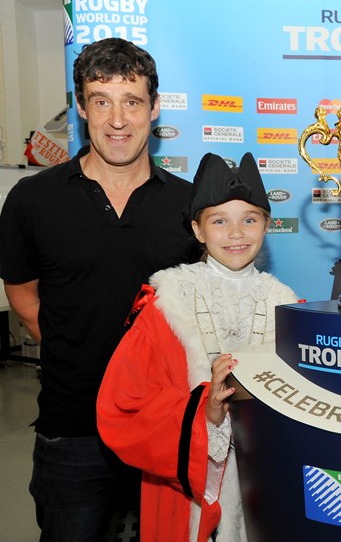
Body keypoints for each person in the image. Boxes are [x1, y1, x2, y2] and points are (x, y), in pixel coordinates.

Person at [0, 38, 199, 541]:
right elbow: (24, 298)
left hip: (166, 424)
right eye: (101, 101)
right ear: (82, 107)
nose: (117, 119)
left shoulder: (190, 206)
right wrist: (79, 353)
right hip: (72, 428)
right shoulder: (32, 200)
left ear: (153, 109)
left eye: (132, 101)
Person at [97, 152, 298, 542]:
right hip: (186, 484)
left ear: (267, 226)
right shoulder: (164, 305)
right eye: (219, 221)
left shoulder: (287, 305)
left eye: (250, 220)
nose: (236, 234)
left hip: (264, 483)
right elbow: (124, 406)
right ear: (198, 230)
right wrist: (206, 413)